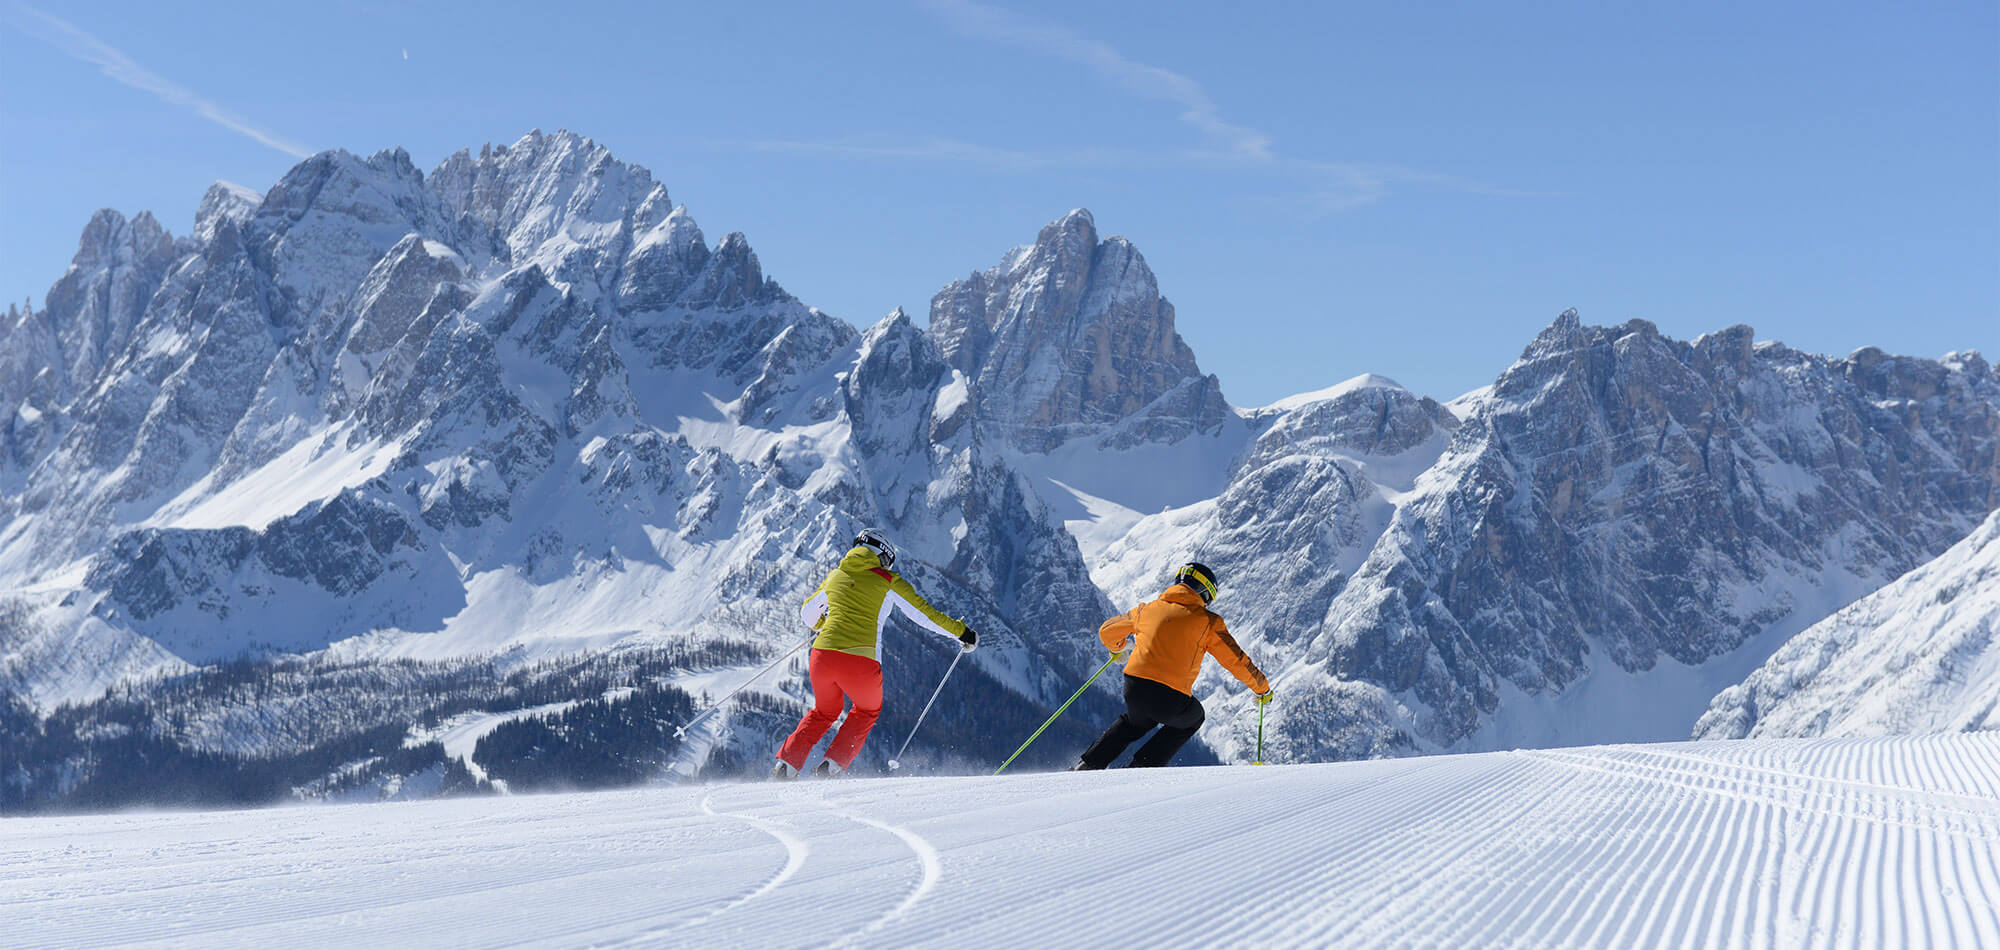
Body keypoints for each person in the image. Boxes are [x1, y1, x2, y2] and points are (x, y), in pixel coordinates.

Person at [774, 528, 978, 778]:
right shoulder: (888, 581)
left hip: (822, 657)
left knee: (824, 712)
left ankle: (786, 765)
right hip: (860, 662)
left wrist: (822, 624)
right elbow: (925, 615)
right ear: (884, 556)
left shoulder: (835, 576)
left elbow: (808, 615)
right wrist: (962, 633)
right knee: (866, 710)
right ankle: (831, 767)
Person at [1072, 561, 1270, 770]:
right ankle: (1141, 767)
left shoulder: (1146, 610)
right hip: (1170, 697)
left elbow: (1106, 631)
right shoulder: (1208, 622)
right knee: (1194, 717)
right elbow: (1235, 661)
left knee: (1133, 724)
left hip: (1134, 688)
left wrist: (1117, 648)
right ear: (1205, 592)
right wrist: (1261, 687)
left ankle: (1088, 764)